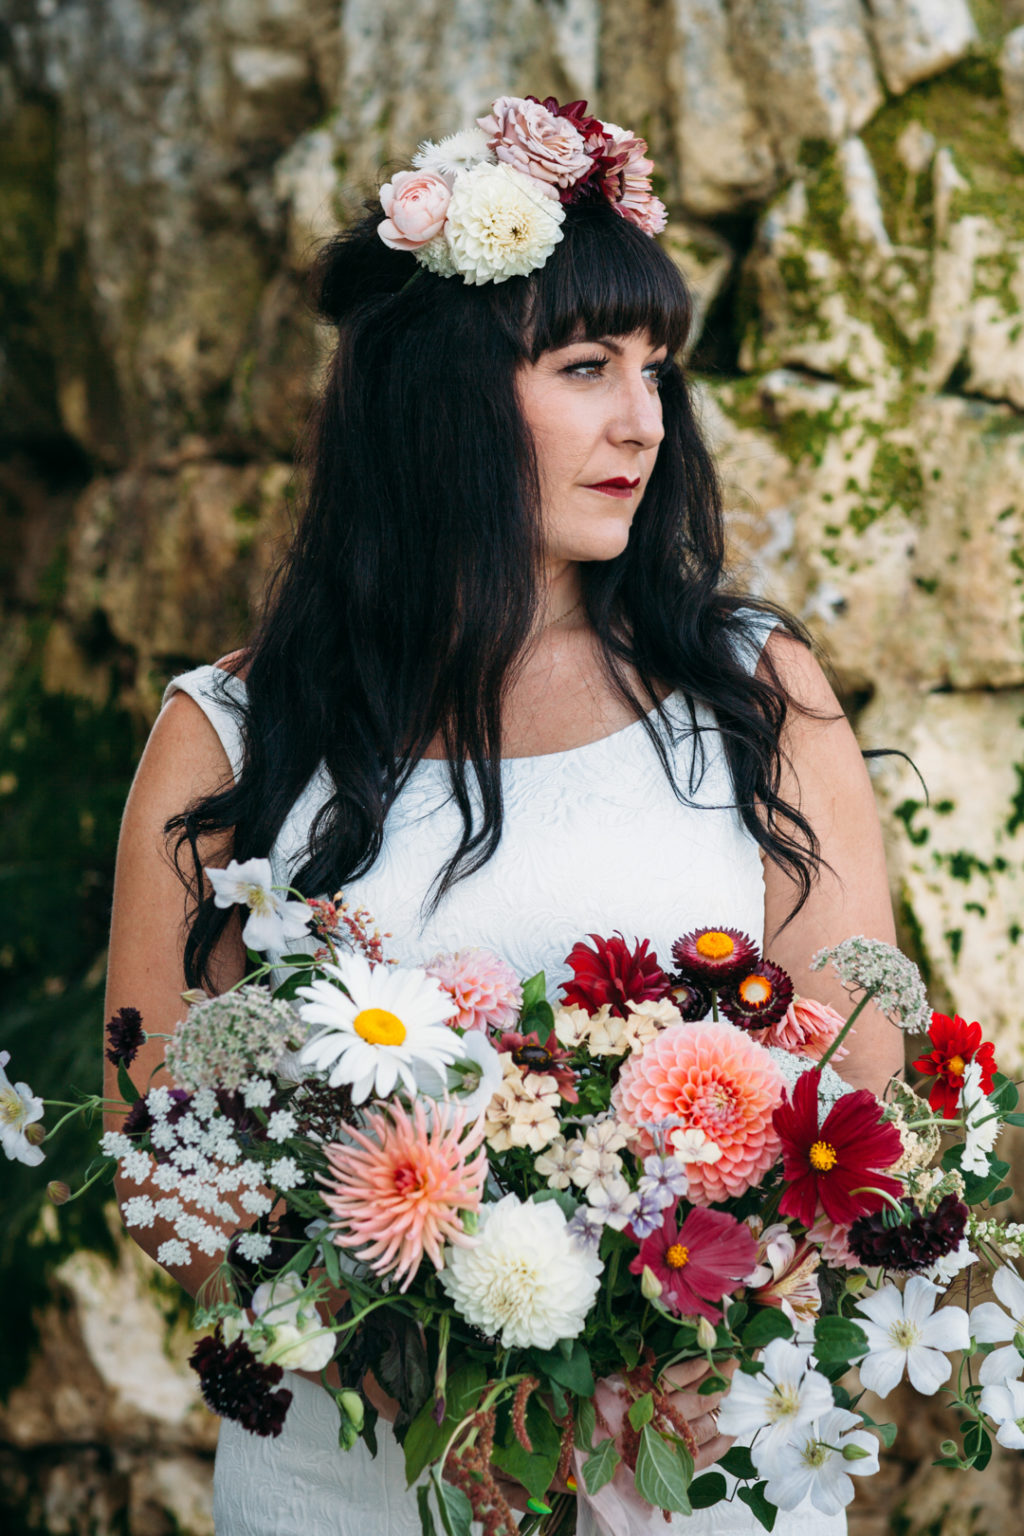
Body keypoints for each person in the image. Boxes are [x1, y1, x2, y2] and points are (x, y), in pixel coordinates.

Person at [104, 95, 904, 1535]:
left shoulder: (754, 689)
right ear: (444, 398)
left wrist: (661, 1325)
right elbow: (161, 1171)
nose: (643, 421)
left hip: (683, 1460)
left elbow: (864, 1079)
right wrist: (427, 1328)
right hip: (350, 1468)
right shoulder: (230, 733)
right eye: (586, 366)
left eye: (657, 369)